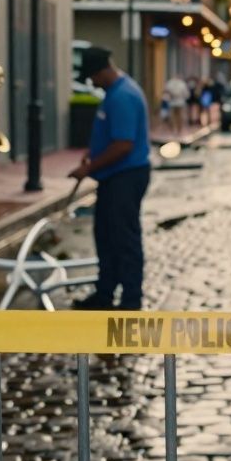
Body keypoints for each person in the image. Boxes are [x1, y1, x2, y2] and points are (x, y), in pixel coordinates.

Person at [68, 47, 152, 310]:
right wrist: (92, 152)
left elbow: (123, 145)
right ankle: (104, 293)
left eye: (92, 76)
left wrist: (89, 167)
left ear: (102, 71)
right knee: (105, 236)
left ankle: (130, 299)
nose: (91, 82)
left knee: (124, 239)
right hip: (115, 177)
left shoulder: (122, 96)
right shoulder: (116, 92)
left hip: (125, 178)